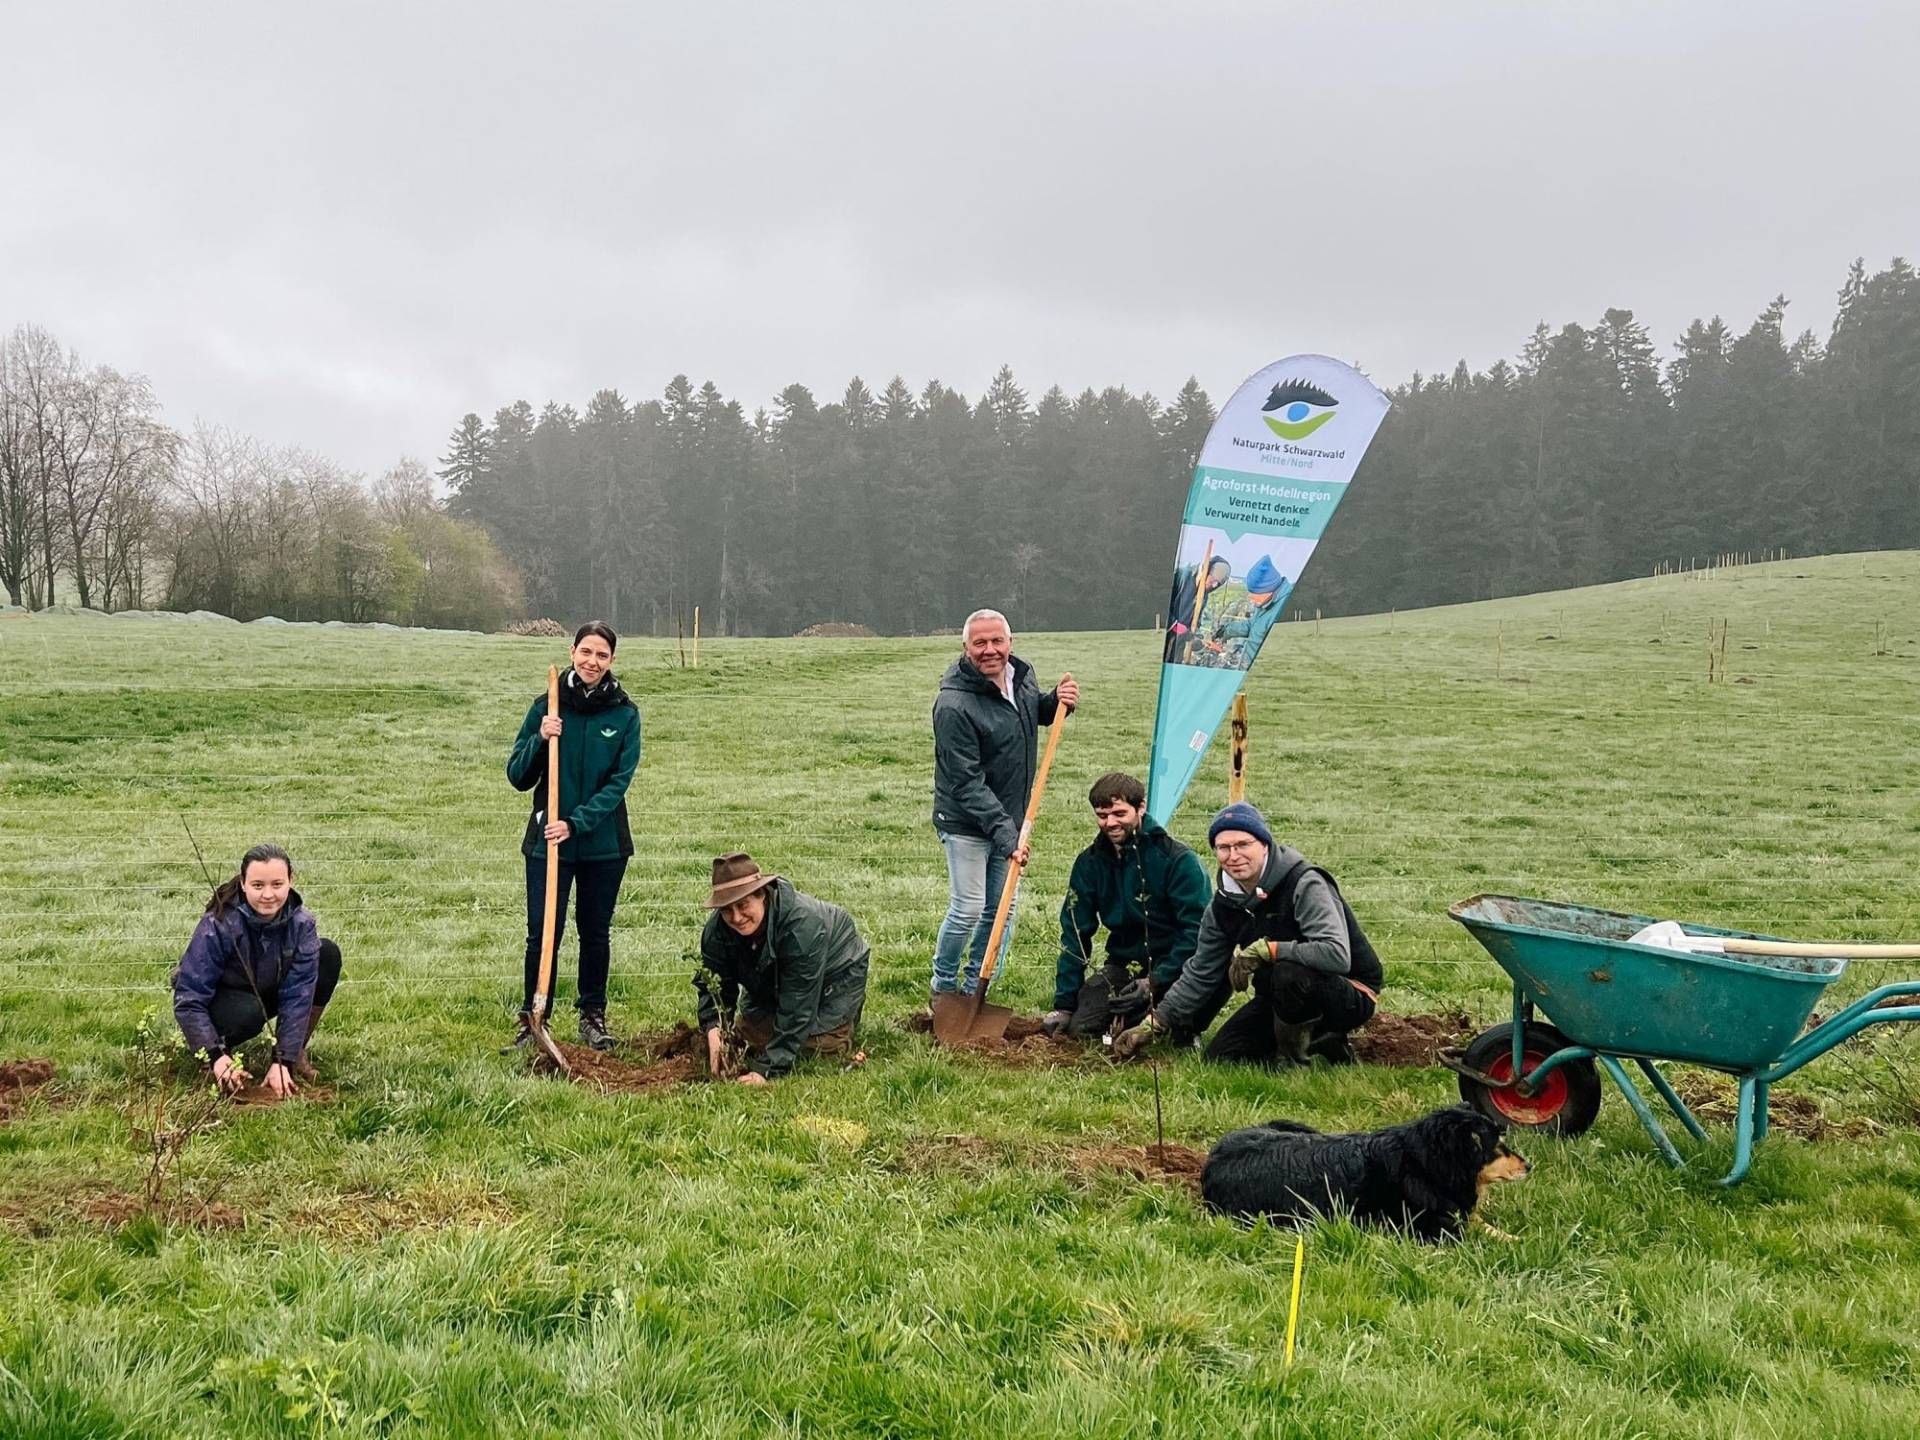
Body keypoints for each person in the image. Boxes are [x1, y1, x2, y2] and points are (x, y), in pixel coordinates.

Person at [1113, 801, 1383, 1066]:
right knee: (1222, 1058)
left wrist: (1272, 950)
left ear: (1264, 845)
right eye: (1223, 848)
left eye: (1243, 845)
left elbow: (1336, 955)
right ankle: (1320, 1040)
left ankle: (1293, 1059)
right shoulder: (1222, 906)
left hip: (1350, 992)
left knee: (1288, 972)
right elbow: (1201, 972)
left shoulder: (1304, 883)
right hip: (1280, 1000)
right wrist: (1154, 1023)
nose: (1233, 855)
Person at [506, 620, 642, 1051]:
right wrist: (540, 738)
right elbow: (516, 775)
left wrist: (576, 822)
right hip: (548, 840)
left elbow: (618, 783)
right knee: (542, 931)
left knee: (595, 930)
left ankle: (592, 1017)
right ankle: (533, 1018)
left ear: (612, 660)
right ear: (572, 652)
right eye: (586, 652)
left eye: (602, 655)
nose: (592, 661)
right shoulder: (546, 705)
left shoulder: (624, 713)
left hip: (603, 845)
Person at [930, 608, 1079, 999]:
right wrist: (1005, 834)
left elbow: (1025, 718)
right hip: (966, 821)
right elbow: (965, 782)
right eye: (980, 643)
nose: (990, 650)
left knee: (1001, 912)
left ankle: (976, 990)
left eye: (997, 641)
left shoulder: (1021, 678)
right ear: (966, 648)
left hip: (1009, 819)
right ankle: (944, 988)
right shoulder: (953, 705)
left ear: (1010, 643)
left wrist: (1054, 703)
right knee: (968, 907)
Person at [1043, 772, 1210, 1039]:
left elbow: (1196, 932)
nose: (1110, 823)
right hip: (1124, 967)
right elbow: (1074, 931)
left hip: (1180, 966)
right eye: (1102, 815)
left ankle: (1184, 1028)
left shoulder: (1178, 861)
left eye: (1120, 813)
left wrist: (1155, 981)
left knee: (1206, 987)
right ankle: (1138, 1019)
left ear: (1141, 808)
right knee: (1082, 1028)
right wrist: (1063, 1005)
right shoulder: (1089, 863)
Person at [171, 842, 341, 1097]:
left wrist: (283, 1060)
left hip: (266, 991)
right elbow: (188, 998)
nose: (268, 895)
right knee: (248, 1012)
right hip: (225, 1002)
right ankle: (215, 1058)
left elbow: (298, 994)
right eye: (258, 885)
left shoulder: (302, 924)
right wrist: (214, 1055)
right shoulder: (218, 923)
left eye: (277, 884)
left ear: (291, 880)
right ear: (243, 883)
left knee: (326, 954)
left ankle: (294, 1054)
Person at [695, 853, 871, 1084]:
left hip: (837, 972)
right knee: (747, 1037)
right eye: (727, 909)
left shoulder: (802, 926)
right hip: (775, 974)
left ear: (763, 896)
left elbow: (798, 1004)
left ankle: (840, 1027)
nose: (736, 917)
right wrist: (714, 1029)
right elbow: (716, 987)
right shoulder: (716, 932)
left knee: (821, 1045)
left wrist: (766, 1070)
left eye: (743, 905)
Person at [1199, 554, 1289, 671]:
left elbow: (1256, 651)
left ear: (1268, 589)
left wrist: (1228, 656)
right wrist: (1223, 631)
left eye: (1254, 592)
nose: (1250, 597)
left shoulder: (1282, 611)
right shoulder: (1265, 603)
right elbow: (1251, 625)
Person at [1164, 554, 1232, 663]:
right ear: (1206, 571)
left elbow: (1195, 624)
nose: (1213, 586)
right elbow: (1162, 608)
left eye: (1217, 584)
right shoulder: (1182, 577)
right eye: (1213, 580)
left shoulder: (1204, 595)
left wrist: (1202, 641)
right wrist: (1176, 626)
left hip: (1177, 647)